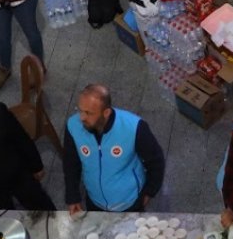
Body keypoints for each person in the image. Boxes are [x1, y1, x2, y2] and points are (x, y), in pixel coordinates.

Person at [62, 84, 165, 214]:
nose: (82, 117)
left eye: (88, 113)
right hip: (95, 202)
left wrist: (149, 192)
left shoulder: (133, 127)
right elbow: (70, 163)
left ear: (106, 113)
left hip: (130, 203)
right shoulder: (73, 126)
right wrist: (72, 196)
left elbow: (156, 160)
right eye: (80, 110)